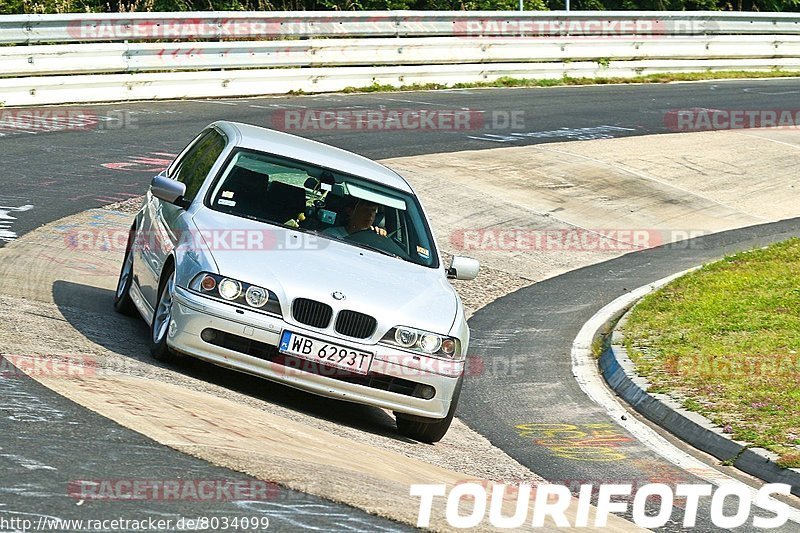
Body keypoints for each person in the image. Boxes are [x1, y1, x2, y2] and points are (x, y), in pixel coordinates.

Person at [322, 198, 387, 239]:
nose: (370, 214)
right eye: (365, 210)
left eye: (373, 210)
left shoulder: (375, 235)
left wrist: (381, 239)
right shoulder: (331, 234)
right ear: (350, 211)